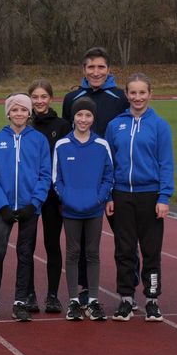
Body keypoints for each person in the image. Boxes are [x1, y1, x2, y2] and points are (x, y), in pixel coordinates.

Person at [61, 47, 128, 305]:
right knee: (79, 246)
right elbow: (69, 137)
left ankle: (127, 293)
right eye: (91, 67)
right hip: (81, 184)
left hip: (111, 182)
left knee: (123, 241)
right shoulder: (72, 98)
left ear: (109, 70)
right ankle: (83, 292)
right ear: (83, 70)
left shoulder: (119, 98)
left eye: (101, 67)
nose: (96, 72)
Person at [105, 74, 174, 323]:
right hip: (122, 195)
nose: (137, 98)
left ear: (150, 94)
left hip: (150, 195)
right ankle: (126, 298)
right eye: (133, 93)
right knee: (124, 250)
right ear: (126, 95)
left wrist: (164, 197)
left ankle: (152, 299)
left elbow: (166, 163)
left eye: (142, 93)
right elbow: (109, 163)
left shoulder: (159, 125)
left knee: (151, 250)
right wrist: (110, 195)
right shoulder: (115, 125)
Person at [0, 93, 51, 322]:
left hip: (30, 207)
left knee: (25, 253)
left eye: (23, 110)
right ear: (8, 113)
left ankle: (20, 302)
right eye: (15, 110)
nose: (19, 114)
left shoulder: (39, 140)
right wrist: (2, 205)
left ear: (30, 113)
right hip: (4, 207)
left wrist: (35, 203)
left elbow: (45, 174)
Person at [52, 97, 113, 321]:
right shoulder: (62, 145)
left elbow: (109, 176)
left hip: (94, 209)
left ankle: (94, 300)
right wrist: (67, 198)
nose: (83, 119)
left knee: (93, 253)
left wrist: (99, 198)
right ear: (73, 117)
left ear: (93, 118)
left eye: (88, 115)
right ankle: (74, 302)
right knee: (73, 253)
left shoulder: (101, 145)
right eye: (79, 115)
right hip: (71, 210)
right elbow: (56, 178)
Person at [27, 79, 71, 314]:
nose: (40, 101)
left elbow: (66, 159)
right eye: (35, 97)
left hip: (54, 196)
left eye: (44, 96)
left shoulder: (63, 126)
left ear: (50, 98)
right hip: (30, 195)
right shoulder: (23, 124)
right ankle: (30, 294)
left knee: (52, 245)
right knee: (28, 246)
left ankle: (52, 295)